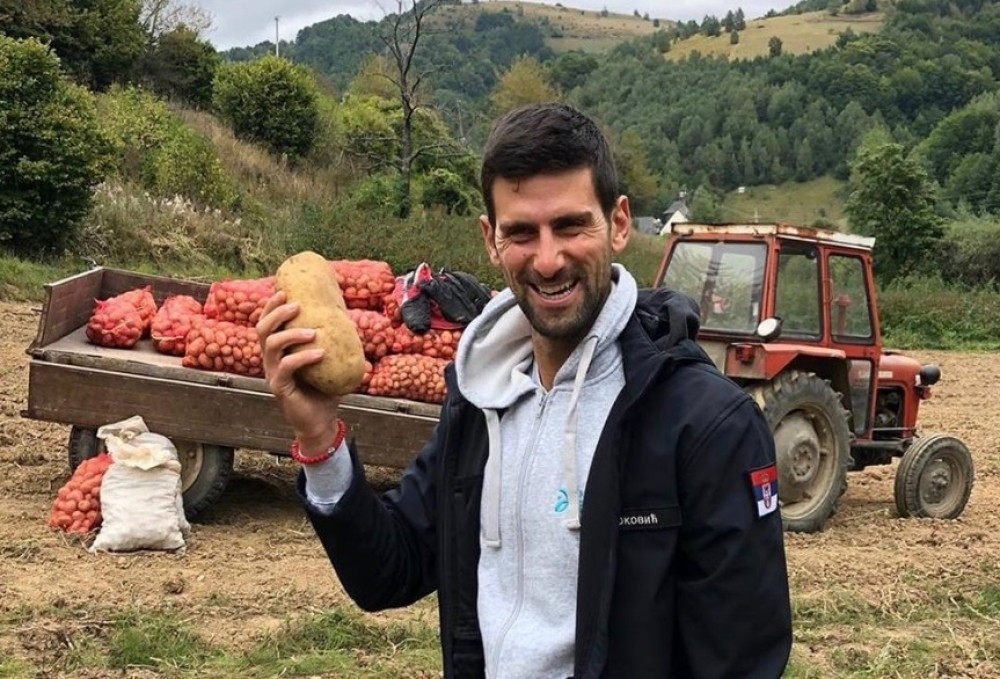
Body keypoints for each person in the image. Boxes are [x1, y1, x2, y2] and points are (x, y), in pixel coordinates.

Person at [256, 102, 792, 679]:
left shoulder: (708, 425)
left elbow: (741, 660)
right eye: (521, 232)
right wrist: (318, 436)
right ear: (490, 239)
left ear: (617, 223)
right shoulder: (480, 400)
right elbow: (391, 570)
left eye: (569, 226)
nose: (547, 259)